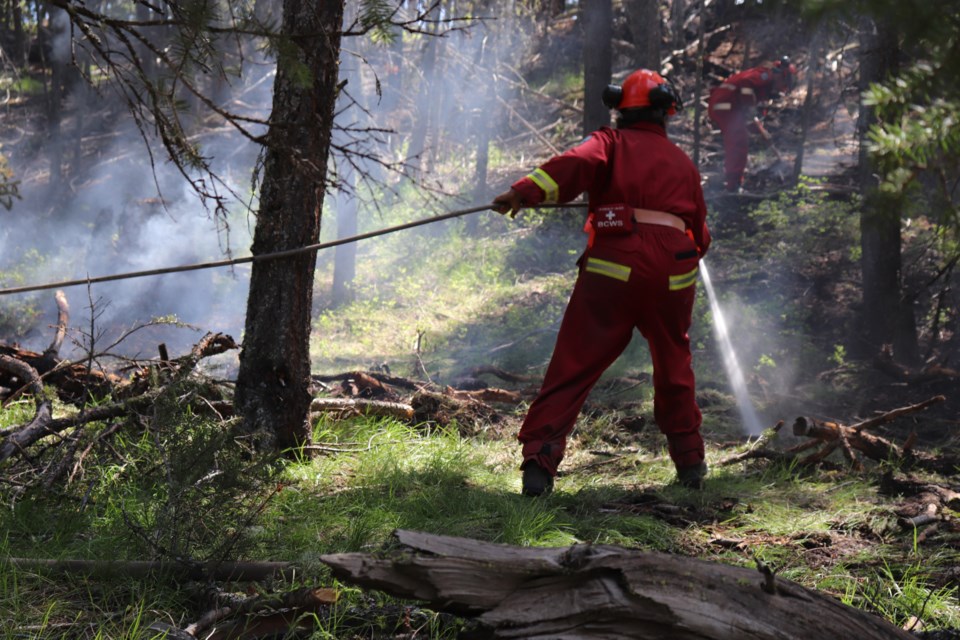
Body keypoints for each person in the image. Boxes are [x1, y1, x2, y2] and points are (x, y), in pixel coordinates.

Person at [491, 69, 712, 496]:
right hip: (675, 268)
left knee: (574, 363)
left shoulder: (610, 143)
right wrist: (674, 263)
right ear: (666, 110)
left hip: (616, 263)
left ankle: (539, 463)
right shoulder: (684, 163)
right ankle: (690, 463)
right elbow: (699, 235)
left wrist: (523, 192)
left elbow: (575, 164)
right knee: (674, 365)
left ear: (620, 108)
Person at [707, 56, 797, 192]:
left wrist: (759, 129)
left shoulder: (765, 81)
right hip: (725, 107)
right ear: (780, 76)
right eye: (784, 83)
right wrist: (750, 107)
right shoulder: (764, 77)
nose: (782, 88)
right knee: (738, 142)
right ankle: (733, 185)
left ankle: (731, 179)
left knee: (740, 140)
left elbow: (750, 109)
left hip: (731, 108)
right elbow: (745, 83)